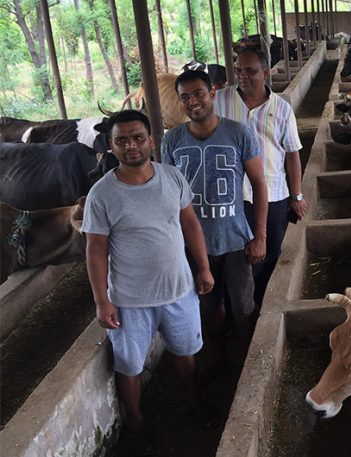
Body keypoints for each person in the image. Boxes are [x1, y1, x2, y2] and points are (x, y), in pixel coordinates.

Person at [82, 110, 218, 456]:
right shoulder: (102, 194)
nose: (131, 146)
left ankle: (195, 401)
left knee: (185, 353)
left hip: (178, 290)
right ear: (111, 146)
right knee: (129, 366)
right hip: (128, 299)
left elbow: (190, 225)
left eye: (137, 137)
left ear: (151, 140)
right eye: (122, 140)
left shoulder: (172, 178)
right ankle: (136, 424)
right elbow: (95, 250)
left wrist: (203, 268)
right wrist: (102, 300)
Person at [162, 70, 268, 369]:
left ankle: (249, 362)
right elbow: (168, 193)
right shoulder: (173, 140)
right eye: (185, 97)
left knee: (243, 305)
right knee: (208, 307)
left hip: (235, 238)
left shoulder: (238, 132)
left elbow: (259, 184)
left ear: (212, 94)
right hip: (195, 246)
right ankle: (219, 358)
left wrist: (259, 236)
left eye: (198, 93)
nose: (193, 102)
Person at [214, 46, 308, 309]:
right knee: (234, 257)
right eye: (239, 70)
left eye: (250, 71)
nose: (243, 76)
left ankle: (260, 306)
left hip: (274, 194)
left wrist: (296, 195)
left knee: (268, 254)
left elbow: (292, 154)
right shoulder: (220, 101)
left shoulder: (282, 109)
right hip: (230, 196)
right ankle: (237, 310)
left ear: (265, 73)